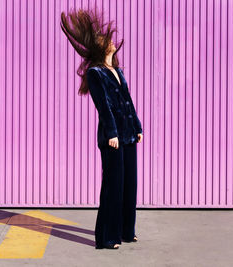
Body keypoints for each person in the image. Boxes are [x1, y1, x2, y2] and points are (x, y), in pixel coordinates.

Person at [60, 6, 143, 250]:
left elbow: (128, 102)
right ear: (101, 48)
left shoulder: (116, 71)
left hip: (128, 134)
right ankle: (107, 236)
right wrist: (112, 133)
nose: (111, 42)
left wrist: (137, 126)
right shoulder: (96, 73)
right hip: (113, 138)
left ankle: (127, 231)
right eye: (107, 41)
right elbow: (103, 106)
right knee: (113, 185)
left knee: (129, 184)